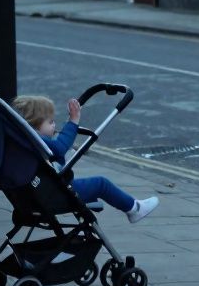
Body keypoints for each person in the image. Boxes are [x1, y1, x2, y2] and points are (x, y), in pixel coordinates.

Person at [12, 95, 159, 223]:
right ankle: (134, 209)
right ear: (34, 127)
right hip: (53, 195)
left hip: (34, 197)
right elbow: (60, 146)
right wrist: (73, 121)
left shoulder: (21, 142)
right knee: (101, 184)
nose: (54, 125)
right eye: (50, 122)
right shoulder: (37, 140)